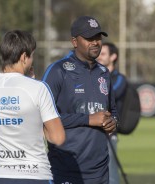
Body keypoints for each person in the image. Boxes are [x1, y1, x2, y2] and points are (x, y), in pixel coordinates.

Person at [0, 30, 65, 184]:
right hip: (35, 175)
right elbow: (57, 137)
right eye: (32, 56)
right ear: (24, 57)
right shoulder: (38, 88)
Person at [42, 16, 118, 184]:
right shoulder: (58, 70)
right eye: (89, 38)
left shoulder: (104, 73)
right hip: (65, 169)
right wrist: (88, 119)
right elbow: (43, 118)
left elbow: (113, 110)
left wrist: (113, 121)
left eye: (98, 37)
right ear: (75, 41)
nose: (96, 42)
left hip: (99, 170)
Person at [97, 42, 127, 184]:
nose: (99, 56)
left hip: (109, 133)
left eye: (103, 54)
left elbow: (108, 95)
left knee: (110, 175)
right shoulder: (93, 75)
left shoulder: (119, 78)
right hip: (90, 132)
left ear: (113, 56)